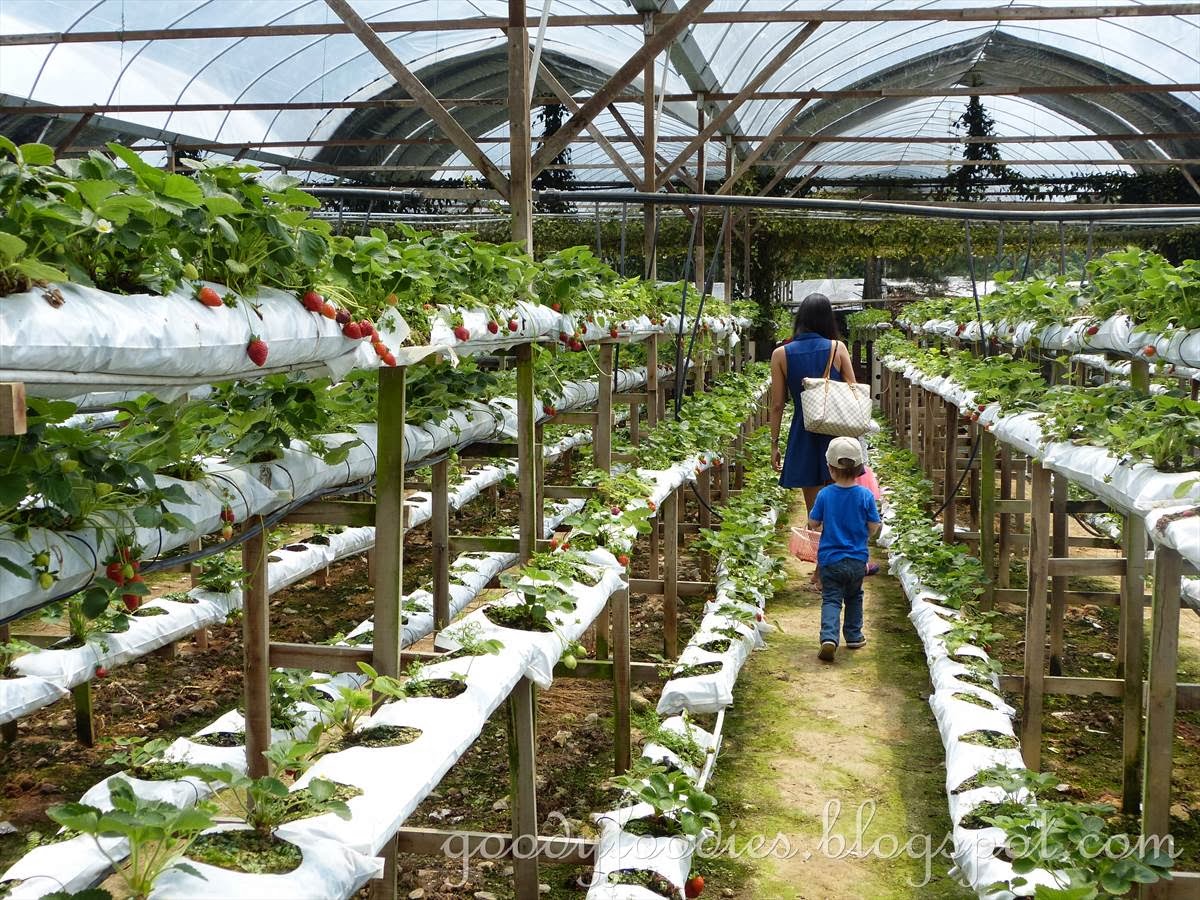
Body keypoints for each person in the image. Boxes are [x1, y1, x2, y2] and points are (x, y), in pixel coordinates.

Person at [806, 437, 882, 662]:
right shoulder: (865, 495)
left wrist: (817, 522)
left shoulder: (825, 494)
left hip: (830, 560)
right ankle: (854, 636)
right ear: (860, 468)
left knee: (831, 598)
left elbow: (813, 522)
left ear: (830, 468)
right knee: (855, 596)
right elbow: (874, 525)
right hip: (857, 560)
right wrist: (864, 535)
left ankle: (829, 637)